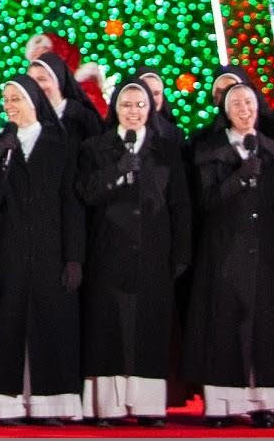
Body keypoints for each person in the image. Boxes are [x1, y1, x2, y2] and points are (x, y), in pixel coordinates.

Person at [188, 79, 274, 425]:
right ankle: (223, 404)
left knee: (264, 328)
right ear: (226, 110)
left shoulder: (273, 151)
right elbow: (206, 202)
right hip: (224, 251)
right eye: (237, 104)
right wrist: (239, 177)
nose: (245, 110)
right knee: (225, 326)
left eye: (250, 104)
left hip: (266, 252)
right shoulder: (210, 151)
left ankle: (262, 403)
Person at [75, 78, 185, 423]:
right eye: (126, 104)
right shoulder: (95, 148)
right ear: (115, 108)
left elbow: (180, 204)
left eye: (140, 105)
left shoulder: (166, 148)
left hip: (153, 252)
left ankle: (148, 407)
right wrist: (116, 171)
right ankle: (105, 407)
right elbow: (86, 193)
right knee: (108, 326)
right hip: (108, 250)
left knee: (148, 327)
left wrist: (181, 252)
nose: (134, 111)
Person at [0, 76, 82, 421]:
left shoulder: (61, 144)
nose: (9, 106)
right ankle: (6, 402)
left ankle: (47, 403)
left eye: (16, 99)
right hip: (8, 251)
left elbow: (71, 202)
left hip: (50, 249)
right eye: (6, 100)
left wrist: (74, 256)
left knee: (48, 325)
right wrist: (2, 160)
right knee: (7, 323)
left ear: (34, 102)